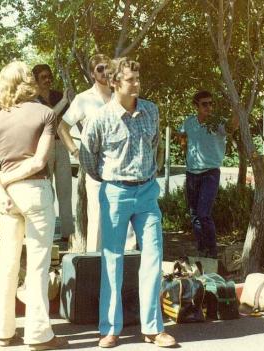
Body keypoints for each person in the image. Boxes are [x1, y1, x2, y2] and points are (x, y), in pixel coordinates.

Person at [80, 57, 176, 348]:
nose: (136, 84)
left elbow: (155, 145)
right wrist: (111, 180)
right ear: (114, 83)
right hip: (115, 193)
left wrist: (147, 177)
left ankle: (153, 328)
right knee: (112, 260)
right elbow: (87, 158)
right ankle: (110, 328)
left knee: (153, 258)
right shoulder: (100, 118)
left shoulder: (150, 111)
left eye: (138, 78)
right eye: (130, 80)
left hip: (147, 194)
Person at [0, 61, 67, 350]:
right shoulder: (45, 113)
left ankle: (4, 331)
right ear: (28, 81)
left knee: (6, 263)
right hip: (35, 190)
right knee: (38, 264)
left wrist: (1, 188)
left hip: (8, 198)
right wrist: (10, 180)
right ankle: (39, 335)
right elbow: (39, 161)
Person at [58, 54, 136, 252]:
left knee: (126, 220)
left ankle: (127, 267)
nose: (105, 72)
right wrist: (76, 152)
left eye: (108, 68)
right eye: (100, 69)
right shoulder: (83, 99)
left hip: (122, 166)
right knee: (98, 220)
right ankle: (94, 267)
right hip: (95, 168)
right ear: (92, 74)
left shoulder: (121, 96)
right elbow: (62, 128)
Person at [177, 91, 239, 258]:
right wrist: (185, 147)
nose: (209, 107)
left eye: (211, 103)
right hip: (192, 173)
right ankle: (201, 249)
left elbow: (231, 127)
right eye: (205, 104)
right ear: (196, 105)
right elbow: (182, 133)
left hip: (210, 174)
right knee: (194, 214)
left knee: (204, 214)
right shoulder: (190, 122)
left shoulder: (217, 122)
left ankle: (212, 252)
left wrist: (238, 109)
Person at [32, 64, 74, 241]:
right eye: (43, 77)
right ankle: (47, 232)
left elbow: (68, 119)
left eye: (49, 76)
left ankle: (68, 233)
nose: (48, 80)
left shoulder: (57, 95)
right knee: (47, 190)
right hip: (44, 146)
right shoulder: (32, 99)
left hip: (61, 144)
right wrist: (63, 101)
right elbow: (47, 118)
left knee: (65, 190)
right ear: (35, 79)